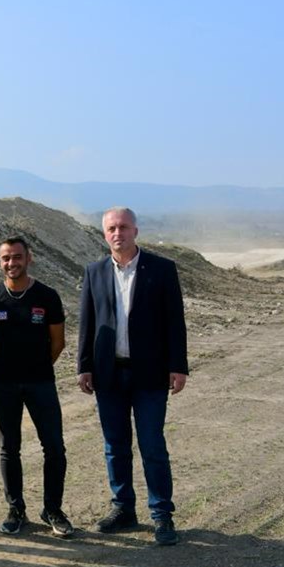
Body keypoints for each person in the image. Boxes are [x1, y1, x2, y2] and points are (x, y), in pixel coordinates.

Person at [78, 207, 188, 546]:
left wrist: (178, 365)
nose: (118, 233)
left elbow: (175, 320)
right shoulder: (94, 271)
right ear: (104, 234)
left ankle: (162, 514)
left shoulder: (162, 269)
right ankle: (123, 507)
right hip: (108, 374)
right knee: (115, 446)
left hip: (150, 373)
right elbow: (87, 323)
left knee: (152, 444)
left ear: (135, 231)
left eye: (123, 227)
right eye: (111, 228)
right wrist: (84, 366)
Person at [0, 237, 73, 537]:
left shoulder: (47, 296)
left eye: (17, 257)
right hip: (3, 384)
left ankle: (53, 509)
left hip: (41, 382)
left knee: (54, 447)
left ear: (28, 258)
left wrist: (37, 367)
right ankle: (16, 509)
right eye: (6, 258)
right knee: (9, 448)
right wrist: (2, 366)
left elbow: (58, 342)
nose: (11, 263)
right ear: (0, 261)